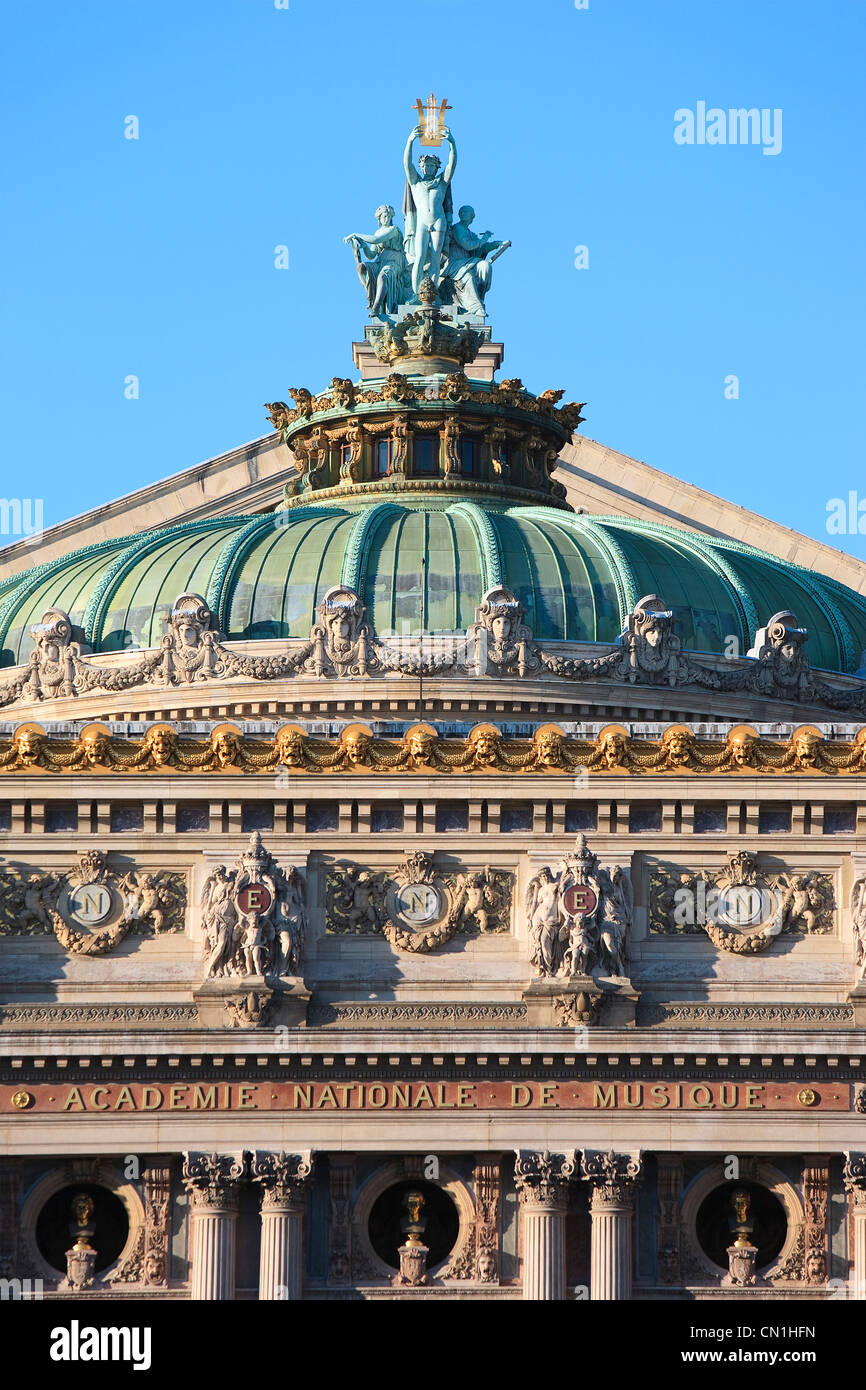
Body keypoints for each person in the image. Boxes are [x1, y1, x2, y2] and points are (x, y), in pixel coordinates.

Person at [402, 124, 456, 295]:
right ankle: (418, 294)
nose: (427, 168)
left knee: (435, 258)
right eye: (425, 165)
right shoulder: (416, 182)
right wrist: (410, 141)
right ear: (421, 167)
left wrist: (452, 144)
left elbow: (452, 165)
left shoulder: (441, 182)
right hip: (422, 223)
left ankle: (431, 294)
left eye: (431, 165)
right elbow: (406, 164)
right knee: (418, 258)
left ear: (436, 167)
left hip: (438, 221)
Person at [444, 206, 509, 317]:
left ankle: (480, 297)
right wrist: (484, 239)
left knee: (485, 266)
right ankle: (475, 307)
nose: (463, 213)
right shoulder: (457, 228)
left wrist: (498, 244)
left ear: (472, 216)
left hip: (468, 262)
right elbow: (468, 245)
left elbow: (480, 249)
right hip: (455, 264)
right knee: (468, 276)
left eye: (466, 212)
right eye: (462, 212)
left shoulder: (471, 233)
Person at [344, 205, 408, 316]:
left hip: (394, 262)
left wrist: (356, 234)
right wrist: (364, 245)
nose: (386, 218)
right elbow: (371, 255)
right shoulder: (378, 232)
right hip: (380, 262)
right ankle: (370, 294)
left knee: (382, 276)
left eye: (388, 216)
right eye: (384, 216)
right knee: (361, 267)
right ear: (379, 218)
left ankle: (376, 306)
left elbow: (375, 240)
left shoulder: (393, 230)